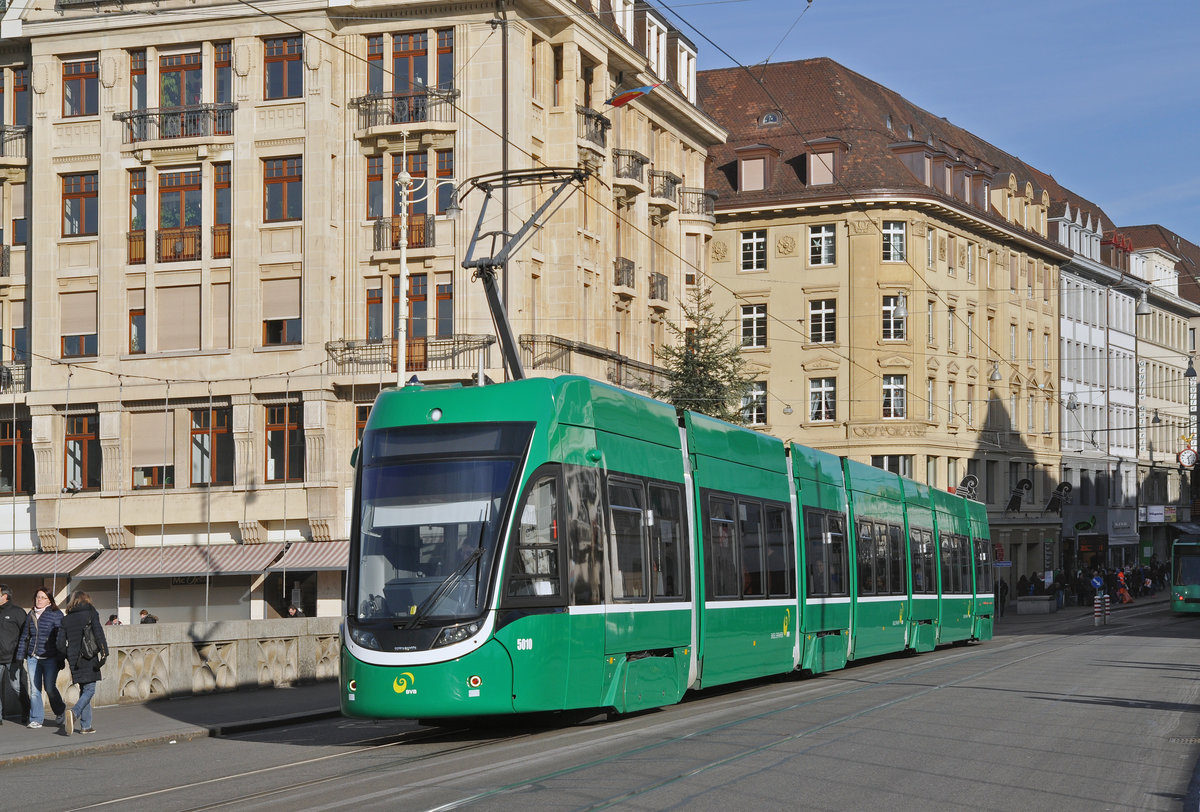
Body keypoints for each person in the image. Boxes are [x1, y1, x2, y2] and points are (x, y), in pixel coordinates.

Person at [57, 591, 107, 735]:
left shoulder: (66, 619)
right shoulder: (91, 613)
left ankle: (86, 726)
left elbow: (60, 644)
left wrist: (67, 654)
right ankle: (74, 713)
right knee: (90, 690)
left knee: (84, 690)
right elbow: (98, 634)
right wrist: (104, 653)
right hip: (89, 656)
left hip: (74, 659)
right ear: (87, 600)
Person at [16, 587, 65, 729]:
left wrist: (61, 657)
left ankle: (60, 710)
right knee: (34, 690)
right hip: (33, 657)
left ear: (49, 600)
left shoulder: (56, 614)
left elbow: (61, 638)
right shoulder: (30, 614)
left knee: (49, 688)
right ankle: (36, 719)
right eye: (37, 597)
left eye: (43, 597)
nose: (39, 600)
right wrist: (20, 655)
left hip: (50, 658)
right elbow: (25, 636)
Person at [0, 584, 29, 725]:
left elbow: (26, 634)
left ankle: (27, 712)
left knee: (17, 687)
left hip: (12, 657)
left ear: (5, 596)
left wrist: (21, 654)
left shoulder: (17, 612)